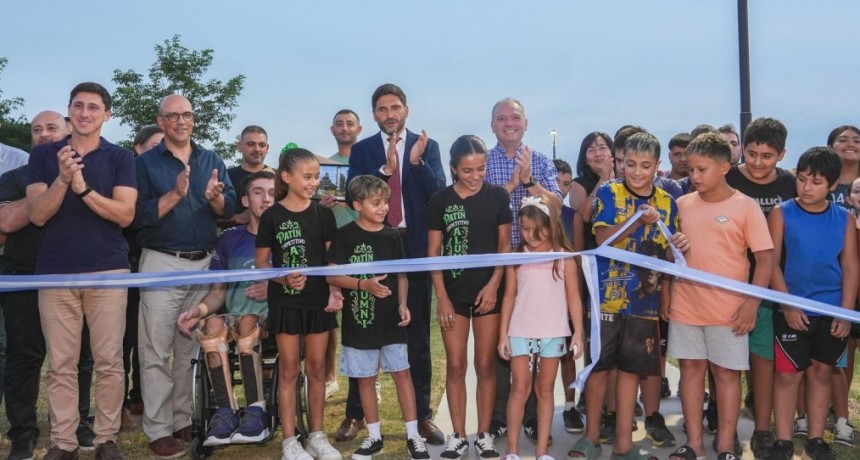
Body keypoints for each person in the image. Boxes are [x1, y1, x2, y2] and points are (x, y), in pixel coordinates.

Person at [27, 82, 137, 460]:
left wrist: (83, 187)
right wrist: (61, 179)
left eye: (94, 107)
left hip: (108, 271)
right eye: (78, 106)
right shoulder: (44, 155)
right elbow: (37, 215)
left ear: (107, 115)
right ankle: (63, 443)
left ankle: (106, 439)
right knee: (61, 364)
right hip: (56, 273)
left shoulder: (121, 157)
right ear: (69, 111)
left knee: (109, 361)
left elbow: (125, 214)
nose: (85, 113)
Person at [568, 132, 685, 460]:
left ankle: (623, 442)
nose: (637, 171)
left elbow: (666, 252)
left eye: (645, 166)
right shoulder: (609, 191)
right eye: (630, 163)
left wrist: (678, 251)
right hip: (606, 296)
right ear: (620, 163)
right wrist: (637, 221)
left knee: (631, 368)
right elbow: (603, 238)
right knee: (599, 366)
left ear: (657, 166)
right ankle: (590, 437)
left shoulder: (666, 202)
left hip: (644, 300)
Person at [134, 94, 236, 459]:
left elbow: (230, 208)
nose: (181, 121)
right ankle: (159, 429)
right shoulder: (144, 164)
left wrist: (215, 200)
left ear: (194, 120)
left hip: (204, 263)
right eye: (173, 116)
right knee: (156, 350)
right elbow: (136, 215)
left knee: (189, 349)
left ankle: (182, 419)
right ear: (161, 122)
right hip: (162, 264)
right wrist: (176, 194)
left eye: (187, 115)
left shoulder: (210, 160)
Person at [346, 83, 447, 445]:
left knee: (417, 336)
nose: (390, 114)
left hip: (415, 248)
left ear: (406, 109)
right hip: (372, 252)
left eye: (396, 107)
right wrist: (385, 171)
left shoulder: (427, 146)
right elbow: (350, 194)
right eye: (383, 109)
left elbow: (438, 195)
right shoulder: (362, 150)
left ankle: (421, 417)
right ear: (374, 114)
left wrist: (415, 163)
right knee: (363, 334)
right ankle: (355, 414)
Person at [665, 132, 773, 460]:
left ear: (725, 166)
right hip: (686, 306)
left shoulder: (745, 207)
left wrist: (751, 304)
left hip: (730, 311)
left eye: (702, 169)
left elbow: (765, 259)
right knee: (691, 372)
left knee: (727, 375)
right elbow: (671, 258)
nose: (694, 176)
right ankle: (694, 443)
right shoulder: (681, 205)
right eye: (691, 170)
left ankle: (726, 444)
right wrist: (673, 258)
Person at [327, 174, 430, 460]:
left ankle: (413, 436)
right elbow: (332, 274)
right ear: (357, 205)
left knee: (402, 373)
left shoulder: (392, 236)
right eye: (376, 203)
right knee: (365, 379)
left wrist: (403, 303)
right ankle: (374, 437)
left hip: (391, 322)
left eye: (386, 201)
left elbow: (402, 275)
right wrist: (363, 285)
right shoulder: (345, 235)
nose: (384, 208)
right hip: (359, 322)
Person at [767, 147, 859, 460]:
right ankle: (782, 441)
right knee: (788, 376)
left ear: (833, 186)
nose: (806, 187)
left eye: (816, 182)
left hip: (831, 311)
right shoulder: (781, 213)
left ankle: (816, 440)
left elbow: (850, 267)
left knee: (822, 373)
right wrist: (789, 305)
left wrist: (845, 313)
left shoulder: (844, 219)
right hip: (791, 310)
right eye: (802, 179)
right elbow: (772, 263)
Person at [428, 135, 512, 459]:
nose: (475, 176)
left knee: (486, 363)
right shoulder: (440, 201)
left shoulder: (497, 198)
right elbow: (433, 252)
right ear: (453, 169)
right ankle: (459, 435)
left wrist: (493, 285)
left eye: (481, 169)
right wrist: (442, 297)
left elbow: (504, 247)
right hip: (454, 295)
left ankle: (484, 434)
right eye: (467, 171)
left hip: (488, 293)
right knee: (456, 364)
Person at [175, 170, 274, 446]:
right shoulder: (229, 239)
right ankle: (226, 412)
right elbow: (218, 293)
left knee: (247, 322)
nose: (266, 199)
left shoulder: (285, 239)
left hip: (272, 319)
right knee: (212, 325)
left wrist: (274, 288)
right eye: (258, 192)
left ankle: (256, 411)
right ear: (245, 200)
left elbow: (299, 285)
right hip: (234, 317)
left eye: (273, 194)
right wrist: (200, 310)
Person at [255, 148, 342, 460]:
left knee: (317, 367)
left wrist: (334, 291)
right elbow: (262, 264)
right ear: (287, 177)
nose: (313, 182)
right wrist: (283, 279)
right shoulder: (271, 216)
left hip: (318, 302)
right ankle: (289, 441)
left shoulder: (324, 215)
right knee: (290, 369)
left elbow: (332, 260)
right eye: (307, 176)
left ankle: (317, 436)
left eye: (316, 176)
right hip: (285, 304)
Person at [485, 97, 562, 444]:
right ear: (493, 126)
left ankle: (532, 417)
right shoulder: (484, 163)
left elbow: (558, 206)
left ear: (526, 123)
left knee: (540, 340)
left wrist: (530, 181)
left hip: (542, 269)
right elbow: (480, 207)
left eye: (515, 117)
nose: (509, 123)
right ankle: (501, 416)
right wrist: (511, 186)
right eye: (501, 118)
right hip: (503, 266)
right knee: (508, 344)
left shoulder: (542, 162)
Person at [723, 117, 795, 459]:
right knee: (725, 363)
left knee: (762, 358)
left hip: (768, 288)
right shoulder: (728, 176)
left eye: (767, 156)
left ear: (781, 154)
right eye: (751, 154)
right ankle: (725, 426)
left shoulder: (791, 185)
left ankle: (762, 429)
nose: (757, 162)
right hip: (725, 283)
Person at [497, 194, 584, 460]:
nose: (531, 235)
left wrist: (578, 331)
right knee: (520, 389)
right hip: (520, 331)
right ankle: (512, 451)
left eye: (538, 229)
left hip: (553, 332)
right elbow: (509, 296)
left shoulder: (565, 257)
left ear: (552, 225)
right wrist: (503, 334)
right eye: (524, 229)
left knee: (545, 390)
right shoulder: (516, 256)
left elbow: (573, 296)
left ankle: (542, 452)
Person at [121, 125, 164, 426]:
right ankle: (121, 404)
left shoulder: (167, 181)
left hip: (154, 267)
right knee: (123, 341)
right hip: (125, 266)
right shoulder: (124, 178)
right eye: (153, 145)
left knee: (148, 338)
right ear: (137, 148)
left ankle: (141, 399)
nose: (159, 151)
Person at [822, 125, 860, 447]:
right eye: (842, 140)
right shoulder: (822, 184)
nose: (850, 144)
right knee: (841, 352)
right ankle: (837, 412)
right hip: (834, 281)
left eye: (857, 140)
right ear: (830, 147)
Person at [323, 109, 362, 407]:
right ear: (332, 130)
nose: (345, 128)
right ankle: (329, 377)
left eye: (350, 123)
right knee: (329, 315)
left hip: (362, 245)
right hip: (332, 246)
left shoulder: (368, 162)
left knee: (361, 316)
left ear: (359, 128)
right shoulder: (324, 166)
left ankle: (364, 384)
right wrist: (324, 205)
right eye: (340, 124)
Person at [221, 125, 272, 228]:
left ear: (267, 148)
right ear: (239, 146)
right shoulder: (225, 177)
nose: (257, 149)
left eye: (262, 145)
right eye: (251, 144)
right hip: (233, 241)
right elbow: (209, 218)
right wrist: (238, 218)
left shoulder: (277, 178)